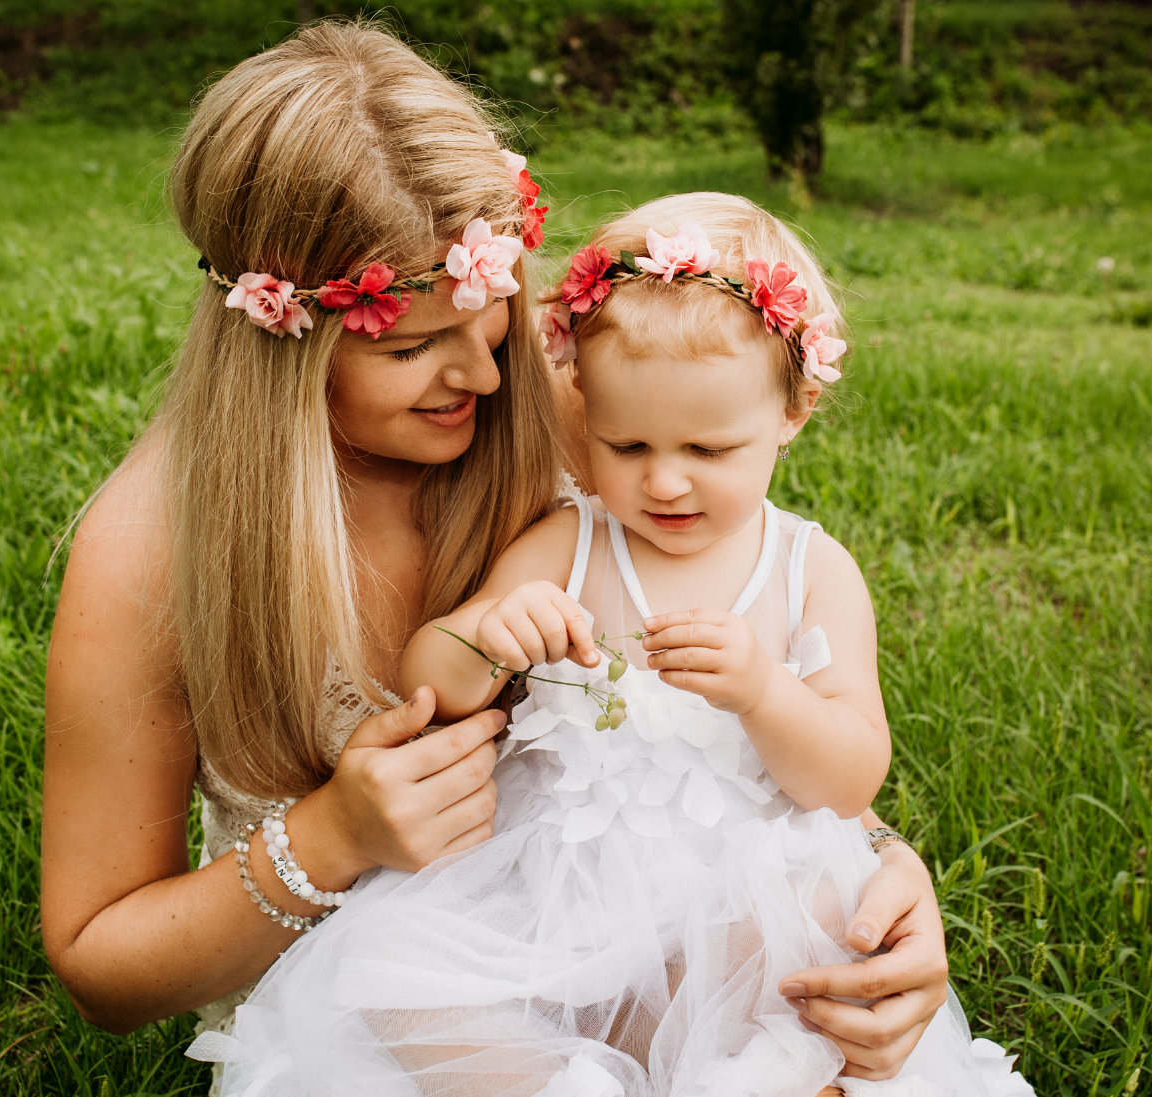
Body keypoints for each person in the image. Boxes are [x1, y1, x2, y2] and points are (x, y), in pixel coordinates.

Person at [41, 20, 951, 1092]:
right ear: (280, 336)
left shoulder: (596, 419)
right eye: (411, 343)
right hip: (407, 1019)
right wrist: (332, 838)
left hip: (640, 946)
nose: (483, 375)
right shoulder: (155, 544)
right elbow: (101, 968)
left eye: (492, 313)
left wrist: (883, 874)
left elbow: (728, 714)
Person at [184, 193, 1033, 1096]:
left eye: (709, 449)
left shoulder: (809, 571)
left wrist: (764, 691)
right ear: (580, 404)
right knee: (392, 961)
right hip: (556, 897)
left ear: (795, 410)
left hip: (725, 910)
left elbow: (850, 777)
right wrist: (488, 634)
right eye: (625, 445)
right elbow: (431, 678)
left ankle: (739, 1077)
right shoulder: (573, 540)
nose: (664, 481)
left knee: (822, 917)